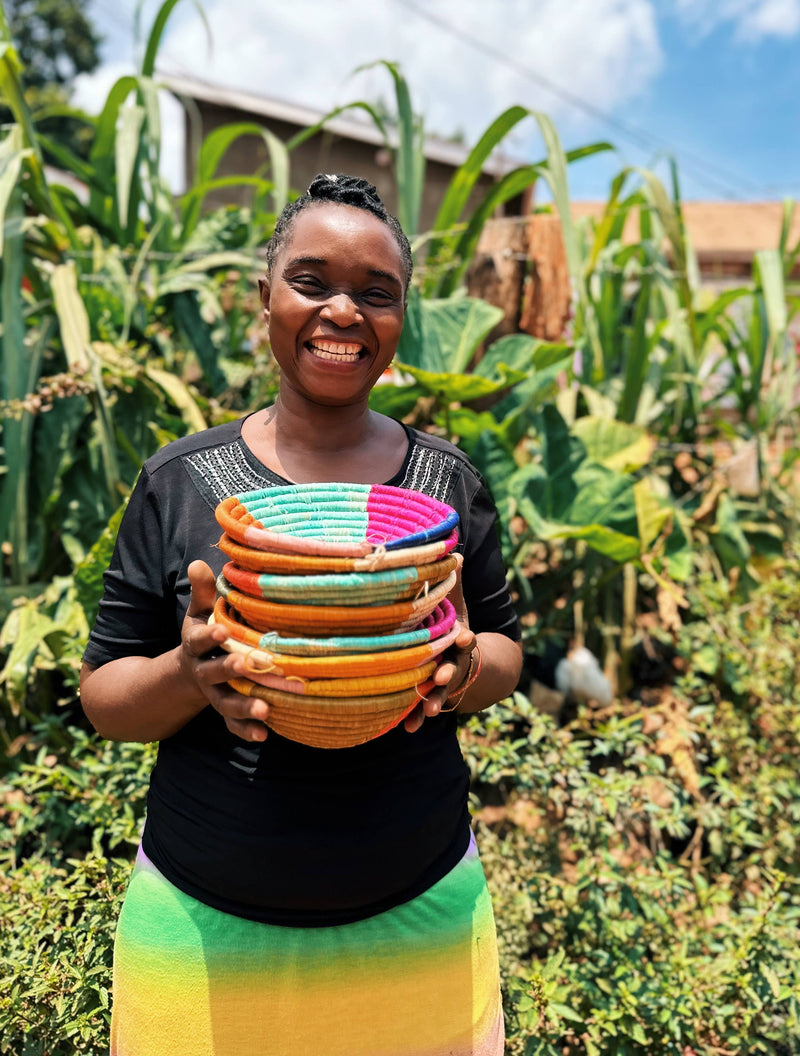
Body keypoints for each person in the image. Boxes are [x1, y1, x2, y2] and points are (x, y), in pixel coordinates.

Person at [79, 172, 523, 1056]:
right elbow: (103, 696)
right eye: (312, 282)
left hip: (419, 920)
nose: (344, 313)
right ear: (266, 298)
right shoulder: (182, 483)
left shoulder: (446, 485)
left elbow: (509, 650)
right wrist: (189, 673)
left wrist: (464, 668)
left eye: (377, 293)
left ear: (403, 317)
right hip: (204, 933)